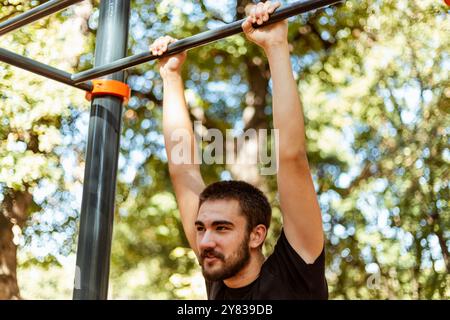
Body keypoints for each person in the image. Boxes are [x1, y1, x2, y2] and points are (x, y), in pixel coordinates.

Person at [150, 1, 327, 299]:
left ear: (256, 235)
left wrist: (276, 46)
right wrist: (170, 76)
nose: (205, 241)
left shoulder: (295, 272)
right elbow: (182, 170)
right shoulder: (219, 271)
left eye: (221, 228)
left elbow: (291, 158)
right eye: (202, 228)